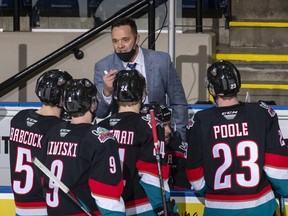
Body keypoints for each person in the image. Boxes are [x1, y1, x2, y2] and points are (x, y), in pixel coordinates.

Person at [186, 60, 288, 216]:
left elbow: (194, 174)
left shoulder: (200, 121)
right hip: (260, 208)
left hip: (218, 210)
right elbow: (277, 168)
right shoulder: (262, 113)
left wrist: (212, 194)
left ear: (212, 90)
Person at [93, 17, 188, 141]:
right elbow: (100, 113)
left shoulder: (161, 61)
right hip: (124, 138)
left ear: (137, 38)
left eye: (125, 40)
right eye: (115, 41)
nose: (120, 46)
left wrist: (178, 136)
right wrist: (106, 92)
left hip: (157, 134)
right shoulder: (103, 66)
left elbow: (179, 102)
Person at [98, 69, 177, 215]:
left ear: (115, 94)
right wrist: (162, 207)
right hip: (141, 208)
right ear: (142, 94)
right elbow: (151, 177)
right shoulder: (150, 125)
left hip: (109, 208)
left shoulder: (100, 128)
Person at [41, 78, 125, 215]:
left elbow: (43, 178)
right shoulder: (100, 137)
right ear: (93, 104)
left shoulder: (53, 133)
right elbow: (107, 192)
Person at [9, 69, 73, 216]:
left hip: (20, 207)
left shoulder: (19, 118)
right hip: (46, 207)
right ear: (62, 97)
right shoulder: (58, 130)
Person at [140, 102, 190, 189]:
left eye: (168, 124)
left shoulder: (178, 152)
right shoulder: (133, 147)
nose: (169, 131)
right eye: (163, 125)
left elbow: (182, 191)